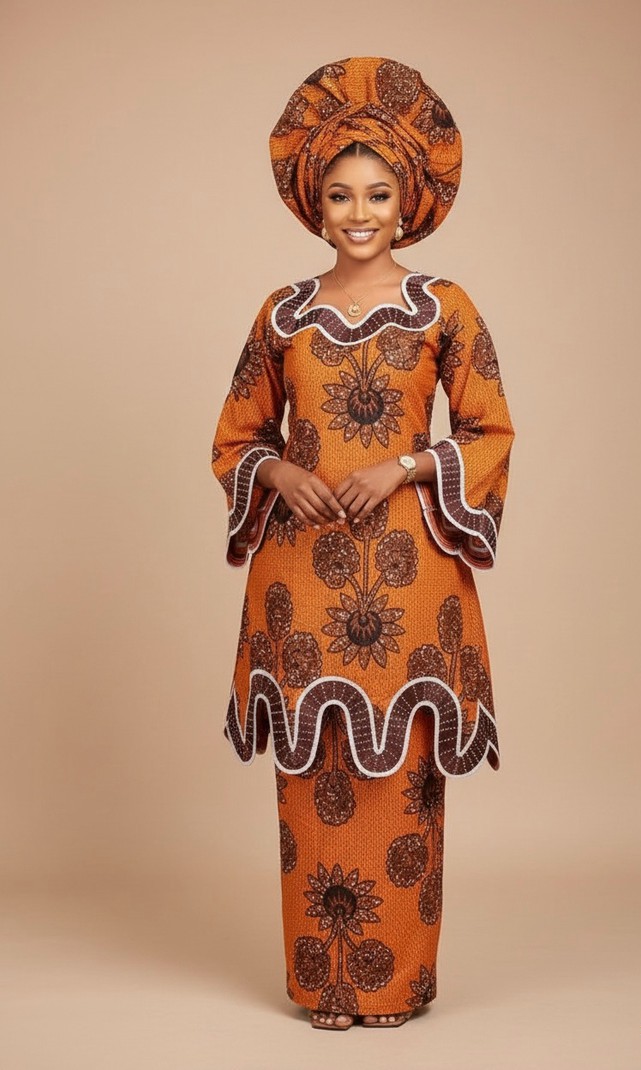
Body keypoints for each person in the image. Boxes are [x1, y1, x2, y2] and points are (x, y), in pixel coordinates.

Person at [210, 57, 516, 1031]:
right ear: (314, 200)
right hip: (300, 583)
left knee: (402, 780)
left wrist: (405, 466)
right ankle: (323, 984)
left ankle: (393, 984)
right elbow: (234, 439)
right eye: (340, 194)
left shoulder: (445, 308)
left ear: (408, 200)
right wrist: (276, 474)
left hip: (410, 585)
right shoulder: (282, 314)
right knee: (310, 780)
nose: (358, 212)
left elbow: (489, 431)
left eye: (377, 193)